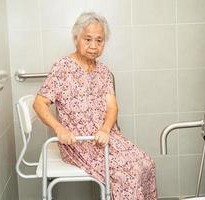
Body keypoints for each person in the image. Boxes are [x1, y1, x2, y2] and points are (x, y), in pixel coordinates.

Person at [33, 12, 157, 200]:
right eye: (88, 39)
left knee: (147, 163)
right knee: (128, 174)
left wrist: (106, 130)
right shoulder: (62, 67)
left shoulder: (104, 72)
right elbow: (39, 103)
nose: (93, 46)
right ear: (76, 39)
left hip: (105, 138)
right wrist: (60, 130)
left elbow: (112, 107)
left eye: (99, 41)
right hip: (79, 142)